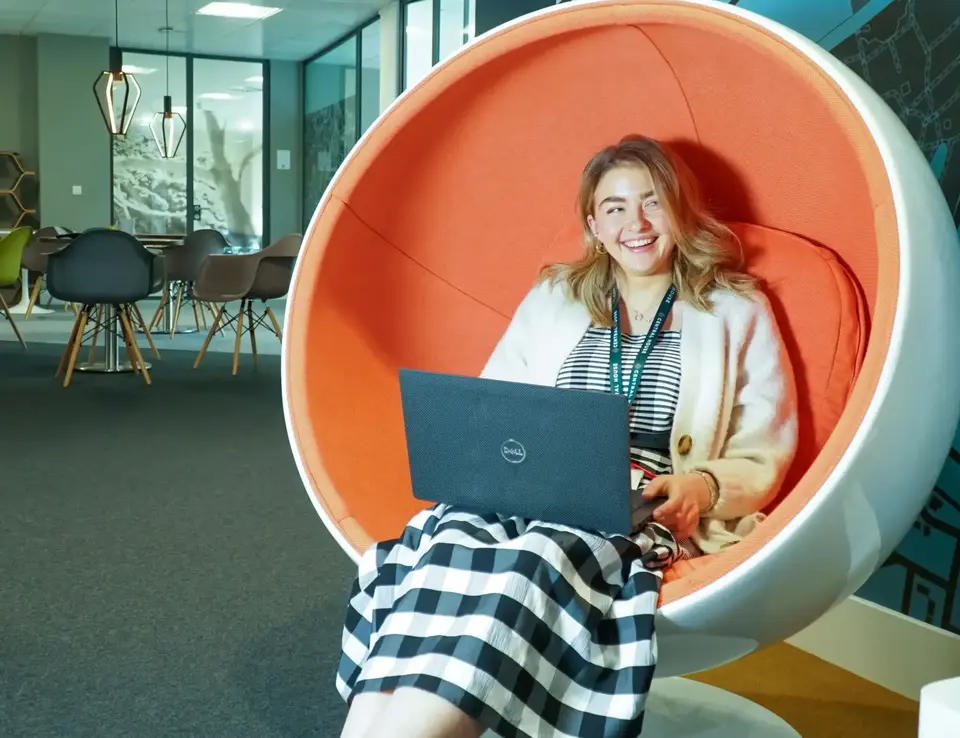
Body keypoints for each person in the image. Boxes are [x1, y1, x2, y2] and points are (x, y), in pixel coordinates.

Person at [336, 135, 799, 738]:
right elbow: (494, 406)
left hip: (640, 501)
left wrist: (703, 487)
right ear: (593, 223)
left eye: (652, 202)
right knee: (446, 541)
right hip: (529, 486)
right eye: (614, 207)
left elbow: (765, 447)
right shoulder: (553, 298)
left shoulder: (737, 308)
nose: (635, 222)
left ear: (679, 210)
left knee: (532, 562)